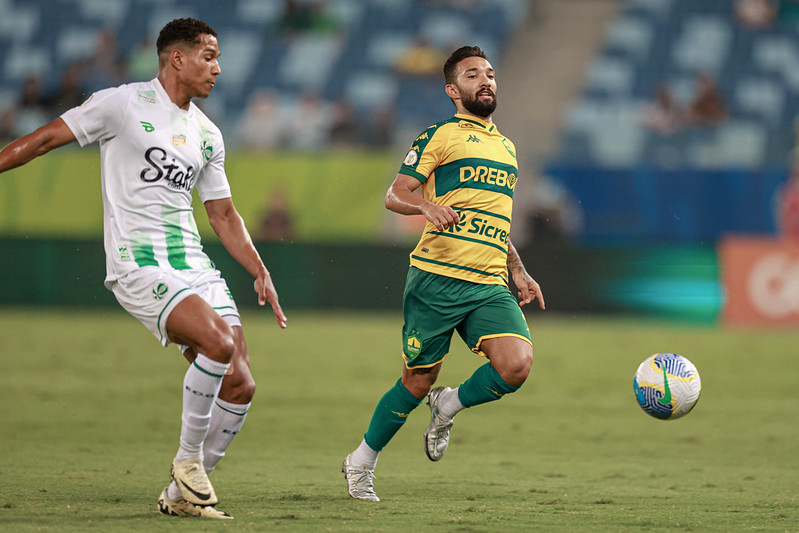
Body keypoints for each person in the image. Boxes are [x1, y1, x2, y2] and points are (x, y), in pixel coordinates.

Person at [0, 18, 287, 520]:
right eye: (209, 56)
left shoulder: (207, 132)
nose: (218, 68)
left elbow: (222, 214)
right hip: (138, 263)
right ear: (177, 58)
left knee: (241, 383)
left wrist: (259, 269)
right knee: (217, 344)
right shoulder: (122, 103)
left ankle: (180, 497)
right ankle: (188, 463)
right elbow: (44, 139)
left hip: (194, 265)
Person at [342, 45, 546, 501]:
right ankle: (361, 461)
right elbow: (396, 194)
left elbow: (494, 218)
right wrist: (425, 205)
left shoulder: (507, 148)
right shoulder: (440, 135)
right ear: (454, 91)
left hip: (490, 282)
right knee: (416, 380)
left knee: (516, 366)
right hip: (437, 278)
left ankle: (449, 405)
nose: (486, 80)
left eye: (490, 73)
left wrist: (518, 268)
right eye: (473, 75)